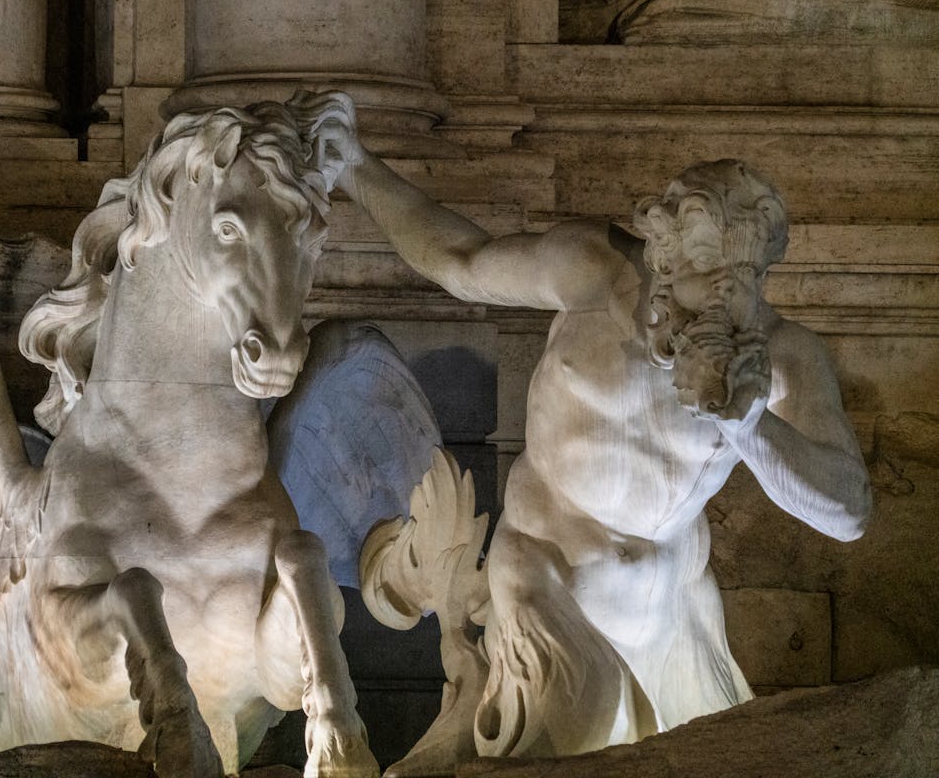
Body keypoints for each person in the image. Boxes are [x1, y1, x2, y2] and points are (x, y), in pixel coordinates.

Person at [319, 122, 871, 758]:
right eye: (706, 270)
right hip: (546, 584)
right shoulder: (591, 269)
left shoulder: (779, 354)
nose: (727, 298)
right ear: (664, 253)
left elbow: (850, 512)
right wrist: (355, 166)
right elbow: (461, 262)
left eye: (746, 278)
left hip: (672, 613)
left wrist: (749, 424)